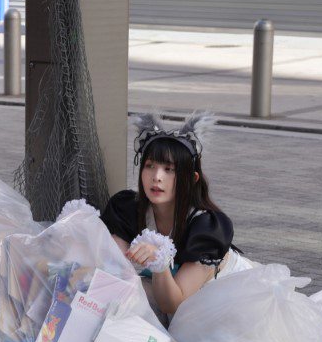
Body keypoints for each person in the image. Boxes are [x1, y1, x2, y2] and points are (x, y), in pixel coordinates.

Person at [100, 112, 239, 320]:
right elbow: (109, 268)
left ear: (192, 179)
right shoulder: (129, 208)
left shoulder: (206, 227)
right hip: (174, 297)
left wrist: (160, 262)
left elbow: (172, 304)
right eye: (150, 166)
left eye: (169, 169)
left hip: (226, 301)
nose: (157, 177)